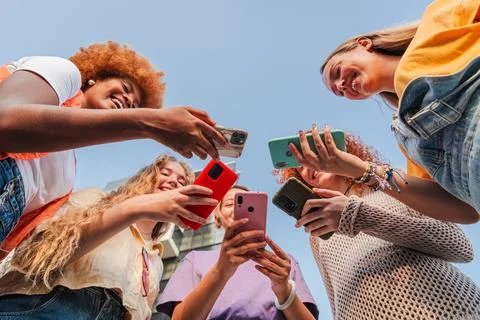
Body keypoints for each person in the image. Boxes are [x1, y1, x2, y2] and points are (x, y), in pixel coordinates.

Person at [0, 41, 227, 252]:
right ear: (95, 79)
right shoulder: (64, 73)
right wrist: (147, 122)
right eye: (126, 88)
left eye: (135, 106)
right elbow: (5, 121)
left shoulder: (66, 178)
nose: (128, 101)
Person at [275, 133, 480, 320]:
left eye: (313, 154)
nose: (306, 168)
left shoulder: (392, 186)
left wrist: (358, 216)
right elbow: (335, 301)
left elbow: (460, 246)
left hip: (446, 310)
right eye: (300, 166)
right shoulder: (318, 235)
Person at [308, 1, 480, 222]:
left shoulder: (436, 22)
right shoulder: (405, 137)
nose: (341, 85)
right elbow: (465, 210)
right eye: (338, 92)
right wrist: (361, 169)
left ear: (364, 44)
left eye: (337, 71)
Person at [0, 154, 217, 320]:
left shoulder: (155, 260)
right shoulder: (95, 199)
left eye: (181, 181)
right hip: (50, 305)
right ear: (146, 177)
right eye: (165, 173)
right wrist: (135, 208)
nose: (173, 181)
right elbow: (37, 256)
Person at [156, 185, 319, 320]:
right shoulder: (195, 260)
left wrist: (284, 291)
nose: (236, 208)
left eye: (246, 204)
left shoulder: (283, 264)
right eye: (228, 204)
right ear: (217, 218)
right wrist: (221, 270)